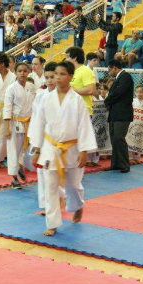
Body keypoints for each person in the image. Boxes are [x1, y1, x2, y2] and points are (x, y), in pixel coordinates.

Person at [29, 61, 97, 236]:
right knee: (50, 187)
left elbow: (84, 126)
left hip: (72, 148)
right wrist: (37, 150)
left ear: (71, 77)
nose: (58, 78)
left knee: (73, 185)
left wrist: (84, 151)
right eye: (56, 74)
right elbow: (38, 124)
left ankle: (78, 205)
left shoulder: (77, 100)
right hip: (50, 148)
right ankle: (52, 223)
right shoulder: (45, 98)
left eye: (62, 74)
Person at [29, 61, 57, 214]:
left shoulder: (65, 95)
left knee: (57, 174)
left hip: (59, 142)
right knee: (42, 173)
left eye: (53, 77)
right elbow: (36, 119)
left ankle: (59, 198)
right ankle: (47, 204)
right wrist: (34, 142)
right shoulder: (41, 95)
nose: (50, 80)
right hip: (43, 140)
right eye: (47, 77)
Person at [3, 62, 36, 189]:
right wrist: (6, 128)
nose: (22, 73)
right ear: (16, 73)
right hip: (14, 122)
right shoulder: (11, 88)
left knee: (26, 150)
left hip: (29, 122)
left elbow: (36, 104)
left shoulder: (31, 87)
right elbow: (7, 108)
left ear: (28, 72)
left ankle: (20, 167)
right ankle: (14, 179)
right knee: (13, 151)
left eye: (25, 71)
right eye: (20, 71)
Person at [67, 46, 99, 165]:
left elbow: (91, 90)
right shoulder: (71, 71)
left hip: (83, 110)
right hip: (70, 110)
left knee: (81, 140)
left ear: (74, 58)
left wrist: (71, 90)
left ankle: (80, 164)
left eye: (68, 56)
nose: (66, 59)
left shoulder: (86, 71)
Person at [103, 59, 133, 173]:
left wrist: (107, 101)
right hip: (115, 113)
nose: (109, 72)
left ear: (115, 68)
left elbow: (118, 92)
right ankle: (116, 164)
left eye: (109, 70)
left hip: (122, 114)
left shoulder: (125, 77)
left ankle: (125, 164)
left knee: (119, 138)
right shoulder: (118, 78)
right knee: (114, 139)